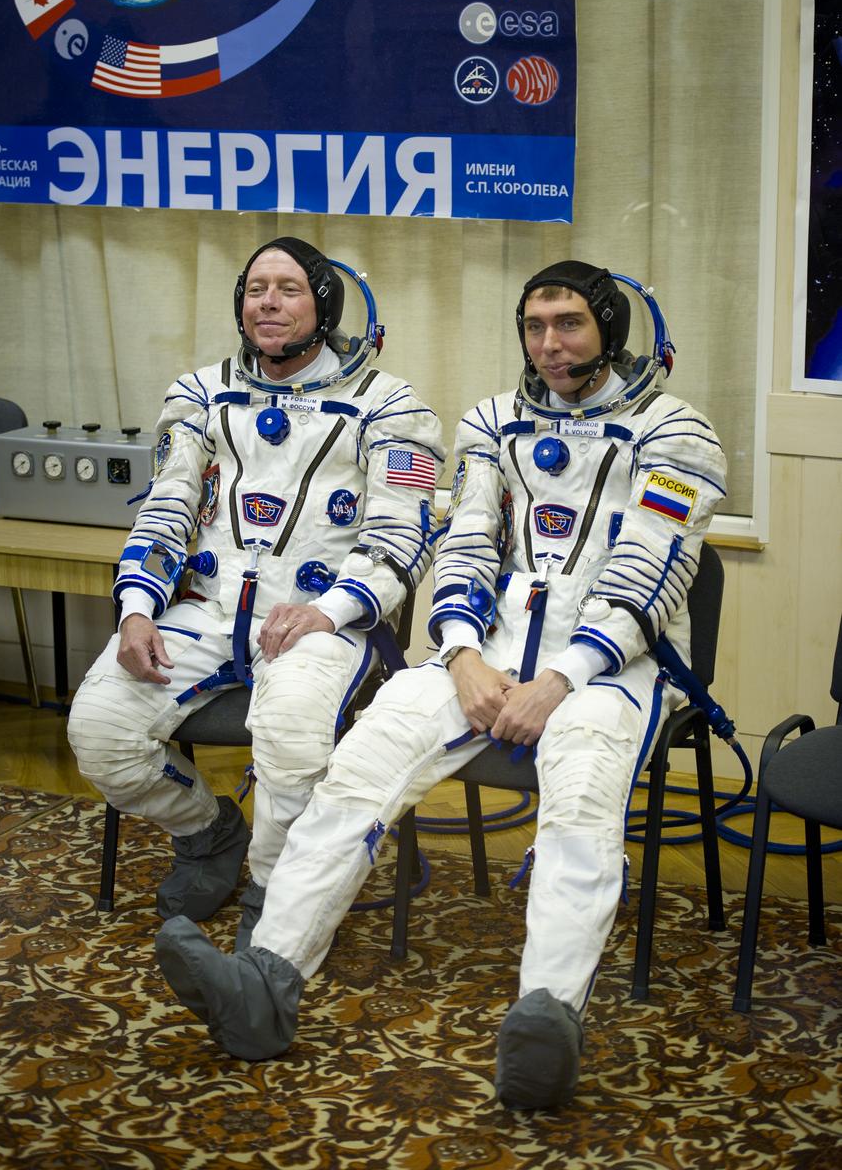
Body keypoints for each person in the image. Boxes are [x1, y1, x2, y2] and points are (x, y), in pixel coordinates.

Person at [154, 260, 727, 1109]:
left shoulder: (679, 435)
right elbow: (463, 545)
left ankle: (546, 1017)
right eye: (534, 325)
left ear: (610, 327)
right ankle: (266, 981)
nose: (548, 342)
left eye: (568, 323)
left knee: (578, 801)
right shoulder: (493, 423)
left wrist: (559, 680)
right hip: (482, 654)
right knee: (356, 772)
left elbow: (650, 575)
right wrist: (461, 656)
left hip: (613, 669)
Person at [67, 237, 444, 937]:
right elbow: (165, 511)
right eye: (255, 288)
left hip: (319, 619)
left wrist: (330, 611)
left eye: (289, 289)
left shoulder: (389, 407)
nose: (267, 302)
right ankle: (209, 834)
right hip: (207, 610)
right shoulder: (200, 395)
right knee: (97, 732)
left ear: (324, 305)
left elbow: (401, 540)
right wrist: (136, 610)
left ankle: (277, 897)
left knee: (292, 741)